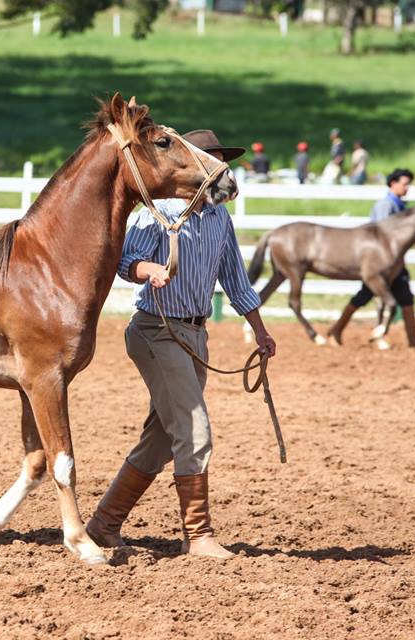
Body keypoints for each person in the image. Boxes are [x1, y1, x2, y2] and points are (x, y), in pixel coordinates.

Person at [85, 129, 277, 560]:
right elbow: (124, 262)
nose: (221, 169)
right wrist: (149, 268)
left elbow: (235, 280)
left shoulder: (219, 220)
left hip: (194, 335)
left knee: (158, 440)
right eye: (213, 160)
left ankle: (104, 523)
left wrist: (260, 330)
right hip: (156, 331)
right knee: (193, 430)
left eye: (223, 162)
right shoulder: (159, 212)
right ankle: (200, 535)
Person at [327, 168, 415, 349]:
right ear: (393, 183)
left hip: (393, 264)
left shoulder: (399, 205)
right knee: (367, 296)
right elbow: (383, 234)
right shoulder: (385, 206)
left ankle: (412, 338)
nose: (407, 188)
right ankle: (342, 330)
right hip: (380, 265)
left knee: (404, 297)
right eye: (404, 183)